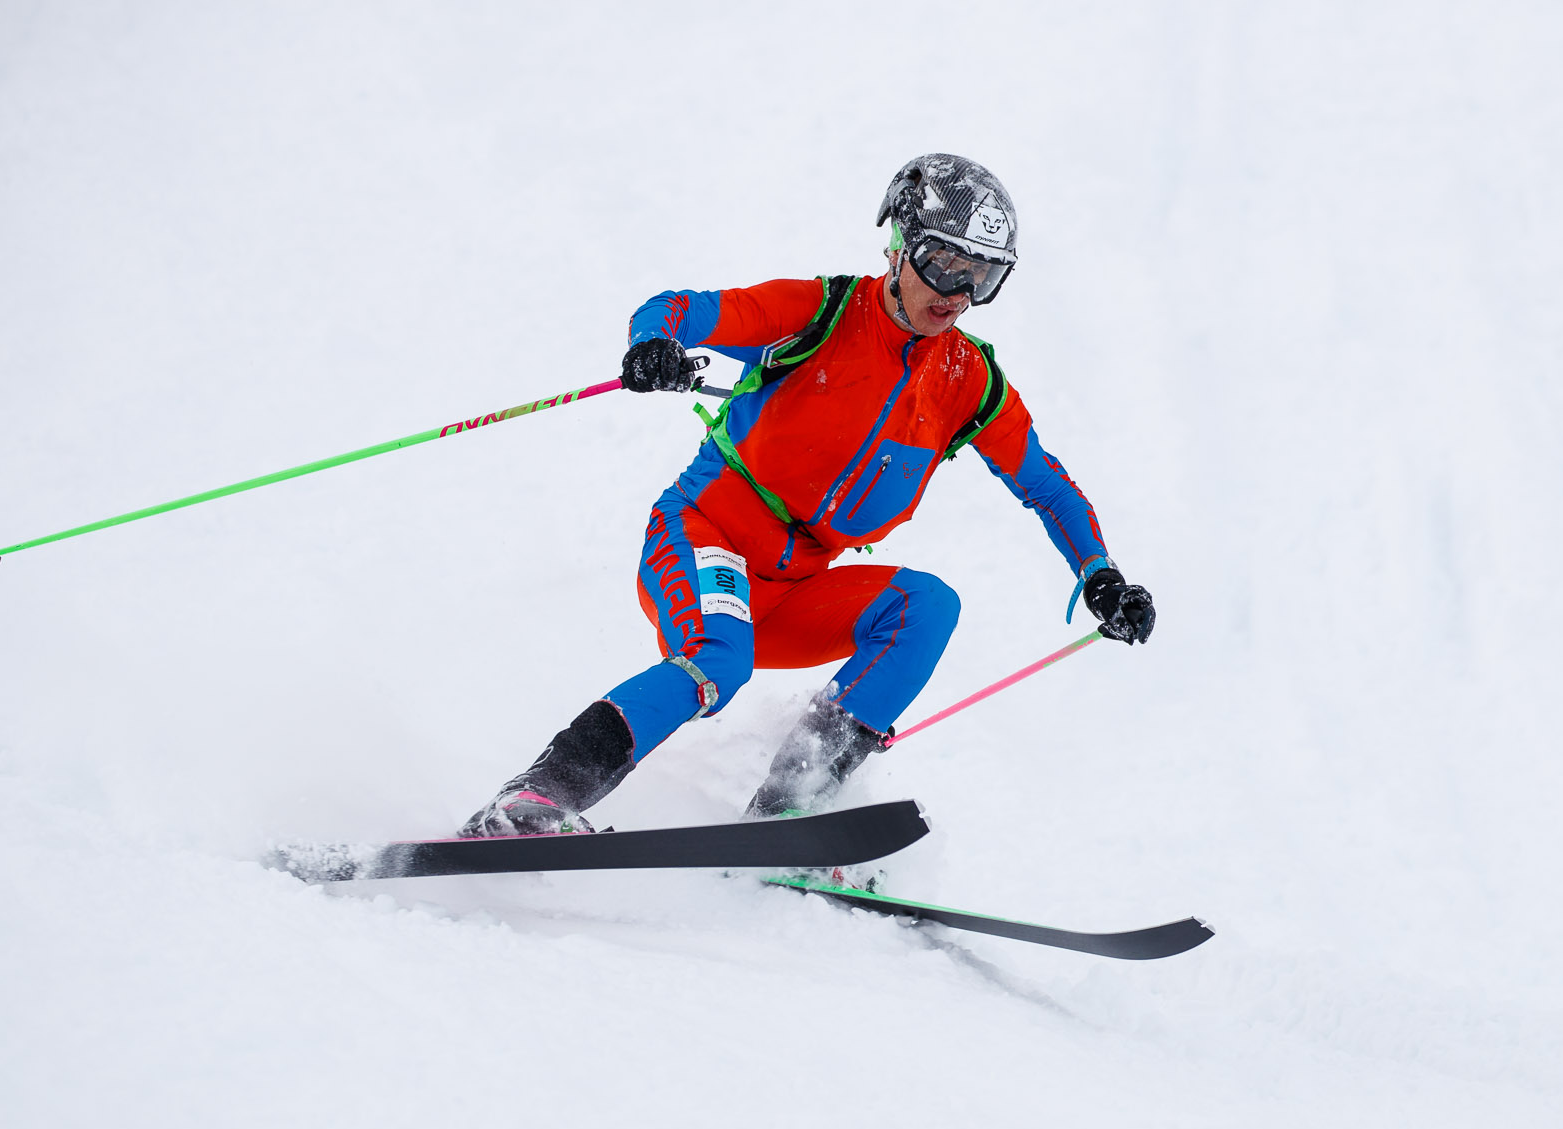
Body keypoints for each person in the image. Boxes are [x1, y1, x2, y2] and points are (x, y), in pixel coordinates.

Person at [458, 154, 1157, 837]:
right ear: (899, 246)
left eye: (983, 277)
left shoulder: (966, 379)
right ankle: (534, 799)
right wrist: (653, 344)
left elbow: (1045, 484)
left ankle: (787, 817)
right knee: (720, 660)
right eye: (945, 264)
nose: (957, 292)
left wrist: (1101, 576)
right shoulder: (817, 312)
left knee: (926, 606)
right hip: (706, 539)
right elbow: (673, 310)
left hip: (793, 587)